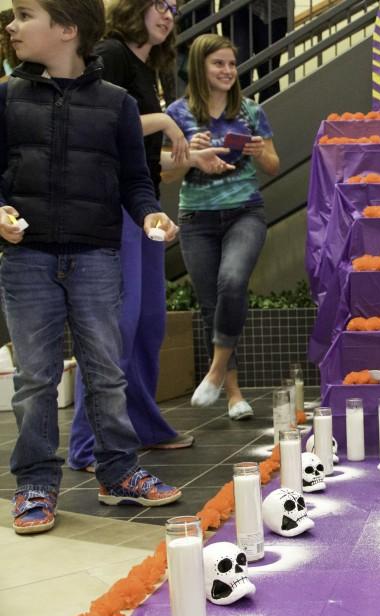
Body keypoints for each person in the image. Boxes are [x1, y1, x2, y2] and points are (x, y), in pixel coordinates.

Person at [1, 0, 183, 534]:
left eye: (24, 14)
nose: (11, 25)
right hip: (27, 260)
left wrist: (151, 214)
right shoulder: (7, 98)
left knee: (106, 371)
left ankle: (119, 471)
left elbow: (135, 180)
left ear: (65, 29)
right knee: (35, 379)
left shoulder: (119, 105)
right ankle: (35, 482)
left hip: (97, 256)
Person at [68, 0, 236, 473]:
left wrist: (188, 159)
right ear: (135, 7)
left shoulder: (149, 70)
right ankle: (90, 442)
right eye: (159, 4)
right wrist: (165, 122)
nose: (168, 14)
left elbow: (140, 157)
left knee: (147, 324)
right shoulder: (112, 53)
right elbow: (96, 122)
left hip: (142, 206)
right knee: (115, 327)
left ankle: (141, 425)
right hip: (110, 206)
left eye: (175, 8)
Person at [167, 34, 280, 418]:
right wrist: (191, 155)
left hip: (245, 212)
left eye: (232, 64)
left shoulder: (250, 111)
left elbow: (273, 166)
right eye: (219, 64)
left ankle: (214, 372)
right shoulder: (177, 115)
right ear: (200, 67)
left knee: (232, 280)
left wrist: (258, 149)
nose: (228, 71)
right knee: (211, 303)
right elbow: (167, 177)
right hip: (196, 218)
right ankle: (233, 393)